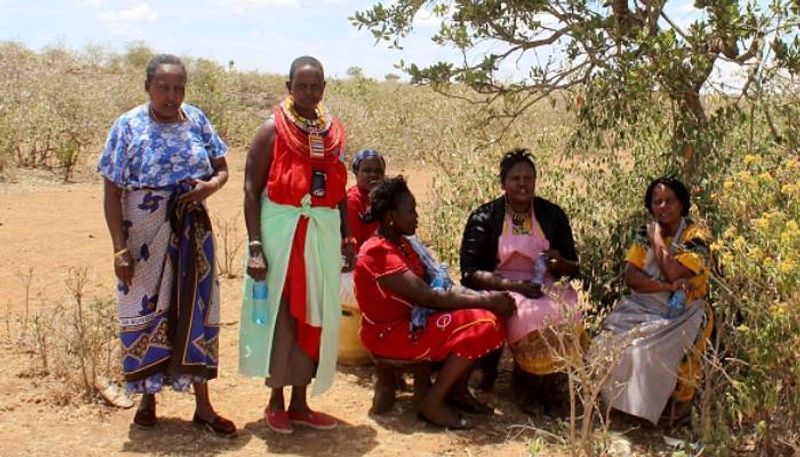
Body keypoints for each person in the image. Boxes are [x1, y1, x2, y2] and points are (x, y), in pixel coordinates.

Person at [97, 54, 236, 436]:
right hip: (141, 234)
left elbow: (222, 167)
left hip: (193, 230)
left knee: (197, 307)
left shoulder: (197, 120)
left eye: (178, 88)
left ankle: (203, 406)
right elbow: (112, 191)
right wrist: (119, 248)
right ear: (148, 87)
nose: (171, 95)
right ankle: (147, 397)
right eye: (163, 87)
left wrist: (212, 185)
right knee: (142, 309)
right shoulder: (127, 125)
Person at [239, 56, 354, 434]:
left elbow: (338, 190)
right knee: (283, 312)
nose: (308, 92)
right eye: (301, 85)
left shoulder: (332, 132)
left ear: (324, 87)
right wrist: (256, 246)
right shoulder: (270, 130)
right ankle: (275, 401)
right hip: (282, 232)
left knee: (316, 311)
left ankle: (301, 402)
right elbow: (252, 190)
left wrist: (346, 236)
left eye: (315, 85)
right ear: (289, 86)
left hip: (320, 232)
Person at [354, 176, 515, 429]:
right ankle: (433, 401)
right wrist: (488, 301)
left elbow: (444, 287)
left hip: (410, 323)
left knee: (489, 320)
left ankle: (456, 391)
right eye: (411, 210)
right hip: (389, 334)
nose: (416, 216)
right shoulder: (378, 253)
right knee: (483, 322)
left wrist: (487, 300)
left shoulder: (403, 244)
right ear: (390, 217)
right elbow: (430, 296)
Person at [459, 148, 580, 412]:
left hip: (546, 284)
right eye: (515, 178)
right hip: (502, 284)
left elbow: (573, 267)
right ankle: (527, 385)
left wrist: (560, 263)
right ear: (503, 183)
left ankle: (550, 385)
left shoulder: (553, 215)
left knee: (569, 311)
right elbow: (469, 272)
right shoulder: (485, 217)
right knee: (529, 316)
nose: (522, 184)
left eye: (528, 178)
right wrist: (515, 287)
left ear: (536, 181)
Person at [599, 176, 713, 425]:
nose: (663, 207)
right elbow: (631, 276)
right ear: (650, 206)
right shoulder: (643, 233)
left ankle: (656, 412)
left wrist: (658, 239)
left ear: (682, 204)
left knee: (647, 352)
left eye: (669, 201)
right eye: (657, 201)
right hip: (643, 305)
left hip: (684, 311)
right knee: (609, 342)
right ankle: (620, 408)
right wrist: (665, 286)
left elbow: (675, 270)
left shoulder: (696, 236)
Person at [346, 149, 386, 251]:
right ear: (356, 172)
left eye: (378, 171)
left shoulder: (385, 198)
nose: (373, 175)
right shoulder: (352, 203)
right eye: (367, 171)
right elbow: (354, 247)